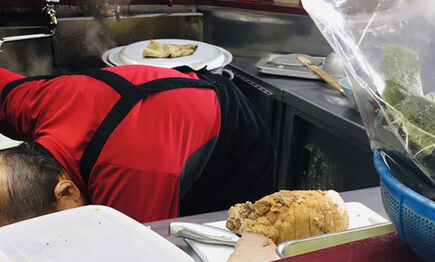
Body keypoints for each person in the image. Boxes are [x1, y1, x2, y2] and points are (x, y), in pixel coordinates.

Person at [0, 64, 275, 226]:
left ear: (66, 192)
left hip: (234, 144)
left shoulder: (129, 178)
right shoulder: (33, 104)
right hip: (165, 126)